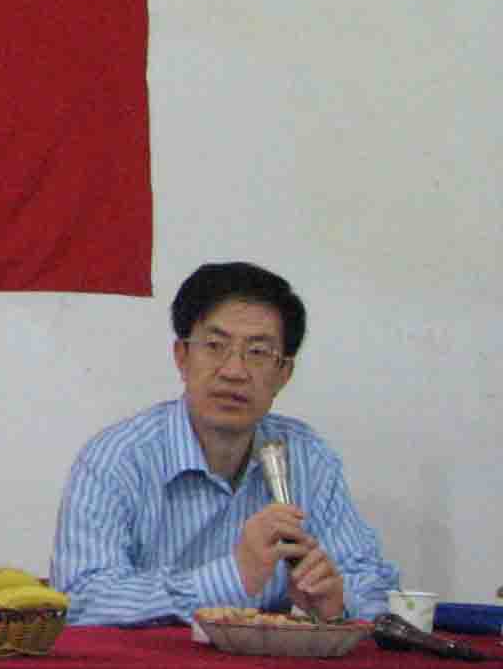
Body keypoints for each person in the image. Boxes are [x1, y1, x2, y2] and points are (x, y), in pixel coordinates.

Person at [51, 261, 398, 626]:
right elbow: (81, 602)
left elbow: (375, 590)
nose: (234, 371)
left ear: (284, 374)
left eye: (258, 352)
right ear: (182, 357)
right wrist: (233, 576)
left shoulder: (307, 458)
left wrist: (339, 603)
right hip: (152, 664)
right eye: (215, 346)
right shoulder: (116, 460)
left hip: (267, 664)